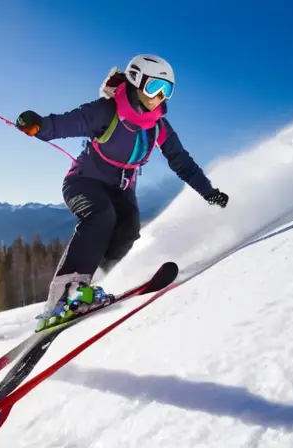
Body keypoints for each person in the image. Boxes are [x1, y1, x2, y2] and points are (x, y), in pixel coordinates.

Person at [15, 54, 229, 331]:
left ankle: (94, 284)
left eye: (168, 91)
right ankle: (64, 296)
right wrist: (39, 126)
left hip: (121, 191)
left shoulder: (158, 126)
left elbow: (181, 161)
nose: (160, 97)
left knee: (128, 229)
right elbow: (68, 123)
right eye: (154, 88)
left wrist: (208, 192)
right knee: (101, 217)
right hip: (83, 182)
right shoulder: (106, 111)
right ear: (137, 82)